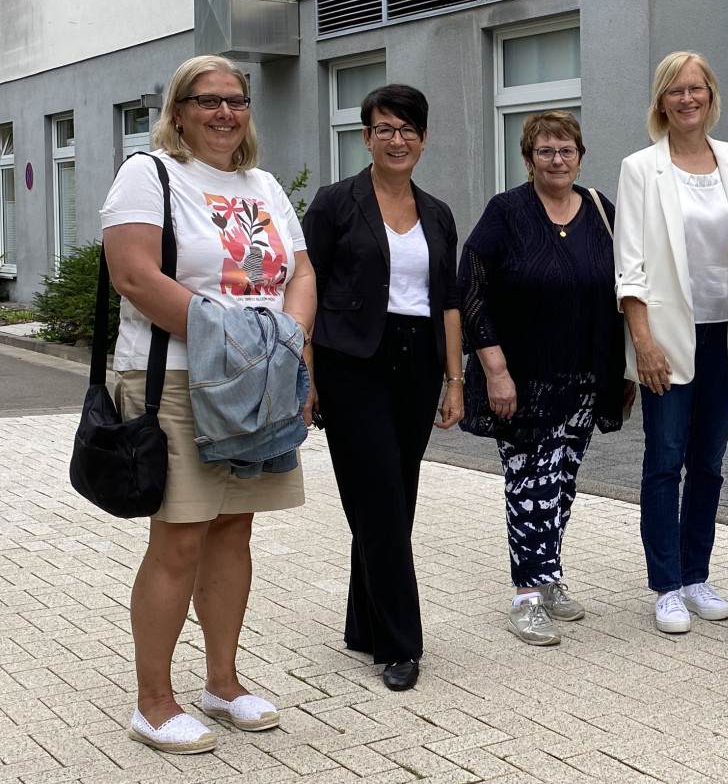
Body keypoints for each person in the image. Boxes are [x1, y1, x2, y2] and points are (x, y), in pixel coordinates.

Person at [101, 55, 316, 753]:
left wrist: (290, 346)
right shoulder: (150, 172)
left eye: (237, 100)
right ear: (180, 109)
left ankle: (222, 682)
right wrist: (231, 337)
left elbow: (301, 270)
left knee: (234, 531)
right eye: (208, 100)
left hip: (260, 385)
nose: (225, 112)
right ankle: (152, 702)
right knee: (180, 537)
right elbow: (132, 273)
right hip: (176, 380)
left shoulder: (263, 184)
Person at [303, 84, 463, 692]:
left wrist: (455, 379)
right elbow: (305, 293)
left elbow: (449, 301)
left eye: (408, 130)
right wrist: (308, 378)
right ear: (366, 137)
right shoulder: (334, 204)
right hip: (352, 367)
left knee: (395, 499)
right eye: (385, 129)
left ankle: (363, 623)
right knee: (380, 501)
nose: (397, 140)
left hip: (417, 365)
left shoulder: (438, 212)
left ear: (423, 138)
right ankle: (400, 642)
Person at [459, 110, 629, 647]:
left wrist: (621, 369)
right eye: (546, 151)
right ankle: (526, 597)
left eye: (567, 150)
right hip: (524, 380)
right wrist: (496, 371)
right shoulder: (506, 212)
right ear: (528, 158)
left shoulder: (601, 210)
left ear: (580, 155)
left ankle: (548, 577)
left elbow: (627, 289)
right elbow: (472, 290)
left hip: (584, 377)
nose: (558, 160)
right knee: (529, 486)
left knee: (561, 485)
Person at [614, 51, 728, 634]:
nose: (687, 99)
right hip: (667, 337)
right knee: (665, 460)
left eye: (697, 88)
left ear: (711, 96)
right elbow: (631, 267)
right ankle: (666, 584)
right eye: (676, 90)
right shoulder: (641, 167)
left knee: (711, 464)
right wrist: (641, 342)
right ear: (661, 101)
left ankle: (697, 574)